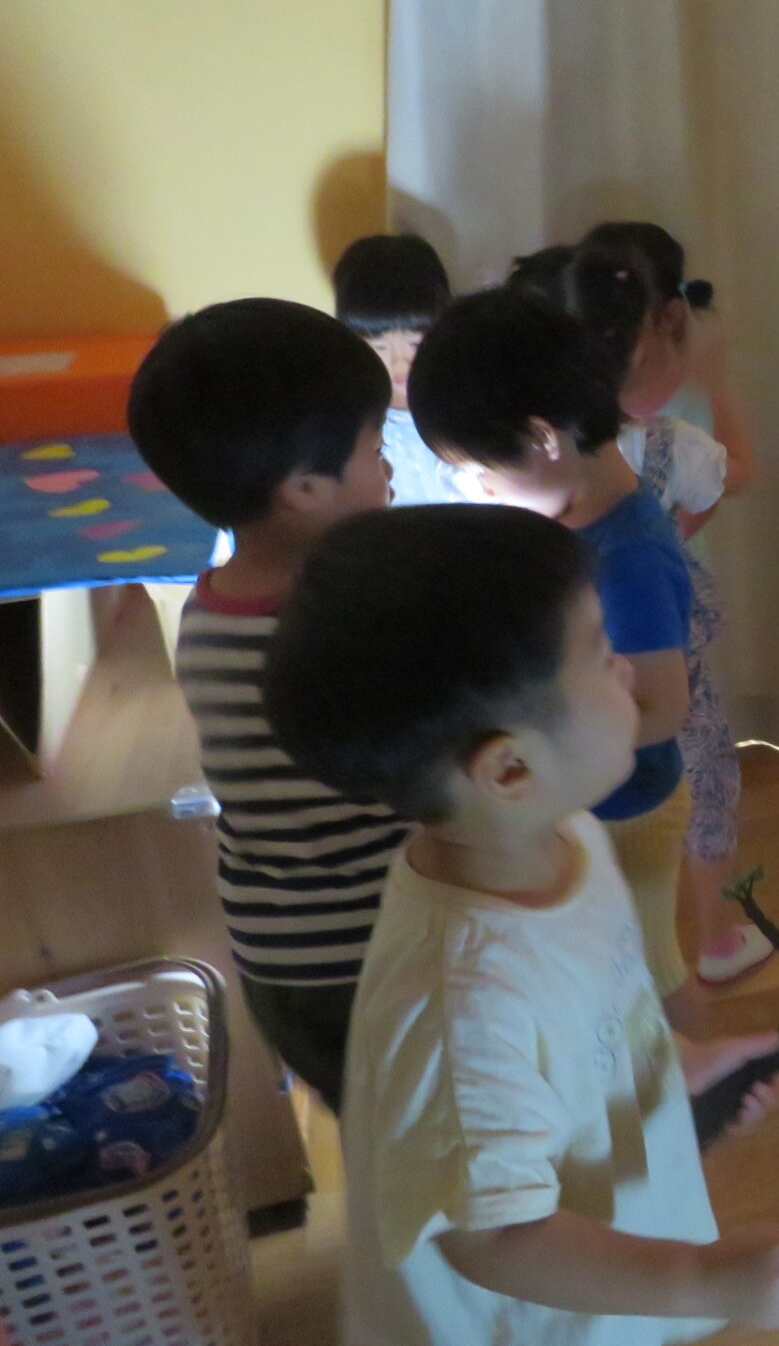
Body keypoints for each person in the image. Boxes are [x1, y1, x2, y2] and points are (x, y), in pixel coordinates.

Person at [261, 505, 779, 1344]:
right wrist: (700, 1279)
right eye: (602, 655)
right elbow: (496, 1238)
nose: (628, 672)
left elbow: (584, 1012)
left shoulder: (558, 834)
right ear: (510, 768)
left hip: (609, 1237)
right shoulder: (463, 1007)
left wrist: (670, 1066)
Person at [126, 298, 399, 1113]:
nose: (389, 469)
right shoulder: (348, 624)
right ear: (304, 489)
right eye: (376, 450)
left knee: (389, 1139)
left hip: (281, 966)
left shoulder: (208, 612)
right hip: (378, 958)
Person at [407, 288, 705, 1025]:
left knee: (651, 970)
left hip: (631, 809)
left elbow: (664, 707)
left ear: (543, 439)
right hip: (584, 796)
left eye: (481, 471)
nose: (476, 489)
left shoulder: (627, 556)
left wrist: (546, 752)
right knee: (597, 966)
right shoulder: (568, 514)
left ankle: (703, 1075)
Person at [564, 224, 769, 988]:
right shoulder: (671, 445)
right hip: (665, 655)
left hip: (577, 665)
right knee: (704, 779)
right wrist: (721, 382)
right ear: (668, 330)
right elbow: (738, 475)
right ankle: (717, 937)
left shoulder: (544, 445)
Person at [331, 232, 464, 506]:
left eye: (415, 343)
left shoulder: (462, 402)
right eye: (379, 347)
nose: (399, 362)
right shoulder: (356, 420)